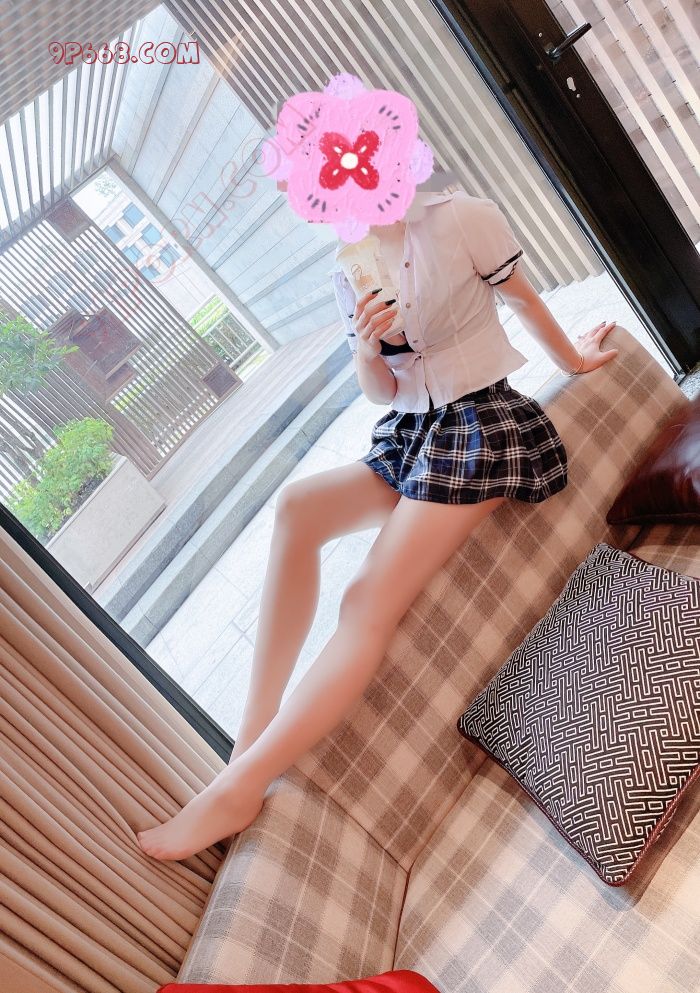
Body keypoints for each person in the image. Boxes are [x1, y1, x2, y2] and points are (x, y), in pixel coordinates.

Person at [136, 179, 618, 861]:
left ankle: (239, 789)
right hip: (415, 433)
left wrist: (574, 359)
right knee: (297, 507)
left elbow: (523, 297)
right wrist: (367, 348)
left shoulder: (463, 217)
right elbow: (381, 391)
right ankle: (249, 742)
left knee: (365, 598)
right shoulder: (350, 264)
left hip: (484, 425)